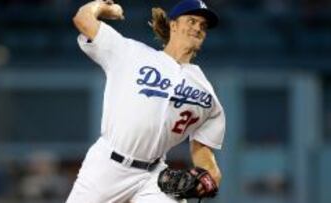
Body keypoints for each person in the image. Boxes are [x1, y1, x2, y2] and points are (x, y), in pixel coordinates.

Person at [66, 0, 226, 202]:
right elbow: (82, 19)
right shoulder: (131, 53)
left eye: (203, 26)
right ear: (173, 24)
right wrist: (103, 6)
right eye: (192, 21)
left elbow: (202, 148)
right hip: (107, 165)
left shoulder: (205, 92)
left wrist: (209, 173)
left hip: (154, 176)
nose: (198, 28)